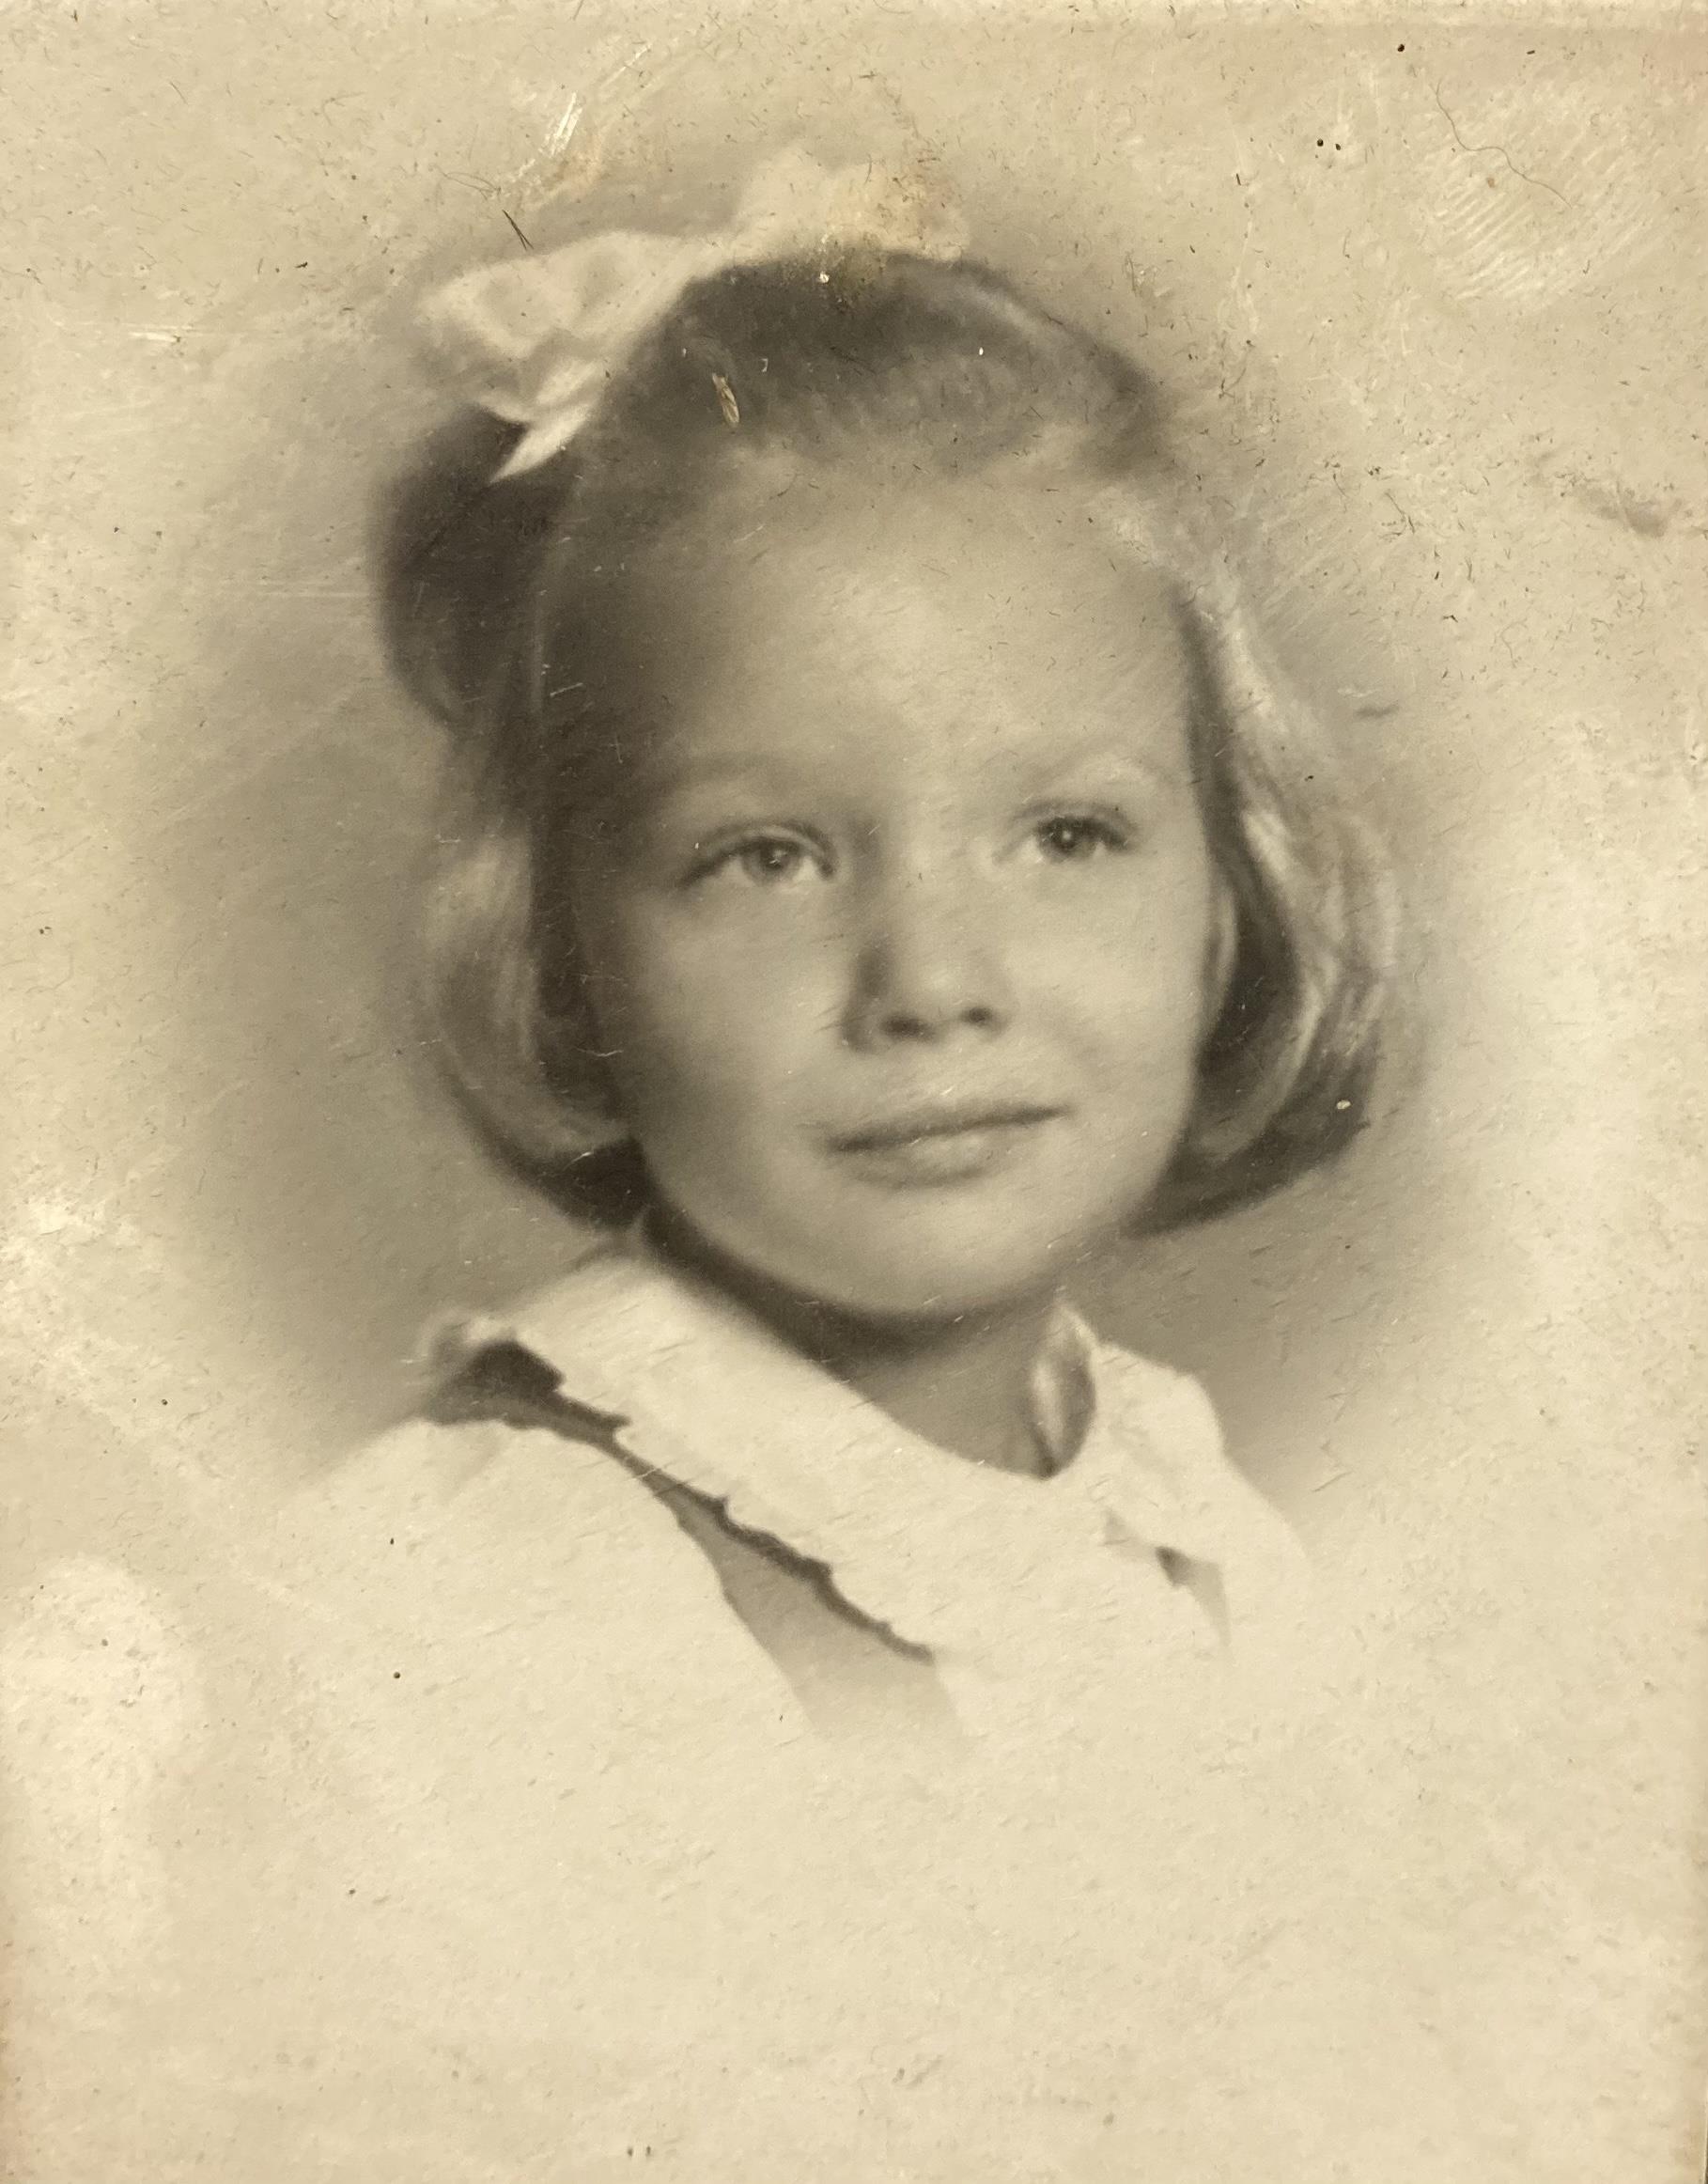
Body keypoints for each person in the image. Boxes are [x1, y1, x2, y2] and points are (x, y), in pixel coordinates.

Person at [4, 148, 1399, 2178]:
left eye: (1067, 834)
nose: (933, 982)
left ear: (1224, 891)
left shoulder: (1179, 1510)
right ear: (565, 948)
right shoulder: (478, 1598)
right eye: (766, 856)